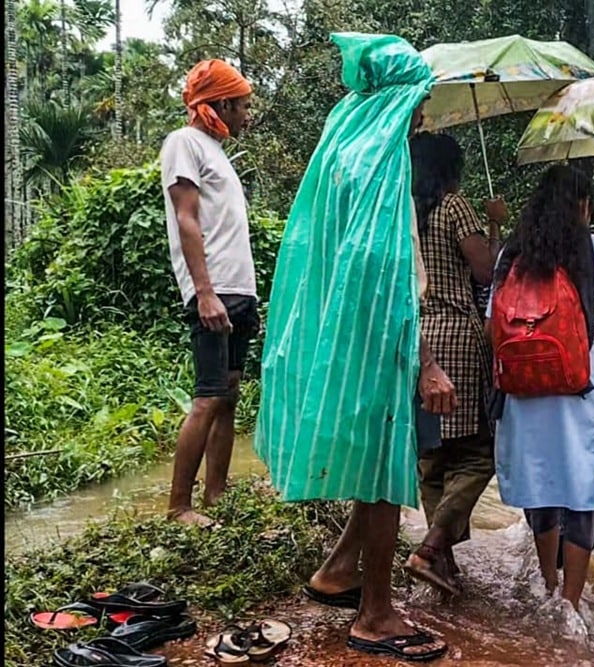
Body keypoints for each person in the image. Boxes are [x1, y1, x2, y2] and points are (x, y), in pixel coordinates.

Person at [254, 34, 449, 661]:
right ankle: (376, 615)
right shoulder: (383, 164)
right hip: (377, 337)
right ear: (400, 98)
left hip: (344, 334)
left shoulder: (342, 148)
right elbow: (387, 269)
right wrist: (427, 361)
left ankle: (339, 572)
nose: (423, 114)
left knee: (373, 466)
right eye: (420, 100)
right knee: (385, 473)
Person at [487, 165, 594, 611]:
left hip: (521, 389)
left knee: (539, 486)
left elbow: (491, 326)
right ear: (583, 205)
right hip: (579, 388)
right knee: (582, 492)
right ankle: (570, 604)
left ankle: (547, 584)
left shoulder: (511, 254)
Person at [404, 132, 507, 595]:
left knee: (432, 456)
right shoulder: (455, 206)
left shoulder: (404, 210)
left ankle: (441, 562)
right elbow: (486, 271)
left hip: (418, 336)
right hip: (457, 335)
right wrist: (495, 226)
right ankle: (430, 550)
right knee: (480, 452)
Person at [160, 59, 257, 528]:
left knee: (229, 395)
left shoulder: (217, 152)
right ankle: (179, 506)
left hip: (237, 290)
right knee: (208, 396)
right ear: (221, 104)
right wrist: (204, 292)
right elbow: (186, 218)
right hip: (213, 289)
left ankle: (216, 493)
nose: (247, 115)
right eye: (242, 106)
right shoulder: (184, 142)